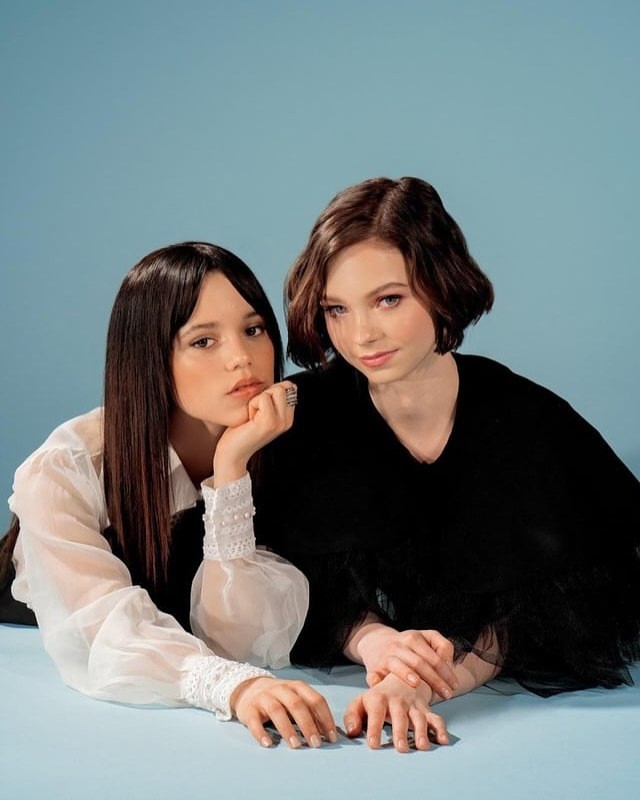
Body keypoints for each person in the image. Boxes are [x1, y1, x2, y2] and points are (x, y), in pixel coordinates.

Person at [254, 176, 640, 752]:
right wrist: (375, 644)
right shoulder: (304, 417)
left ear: (441, 287)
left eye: (388, 299)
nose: (361, 335)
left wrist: (416, 684)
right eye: (337, 309)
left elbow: (532, 608)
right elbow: (292, 581)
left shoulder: (528, 421)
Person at [0, 241, 338, 749]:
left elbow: (239, 640)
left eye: (253, 329)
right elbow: (101, 627)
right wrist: (234, 687)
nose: (241, 358)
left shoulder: (279, 438)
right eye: (203, 341)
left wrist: (230, 470)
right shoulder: (66, 469)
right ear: (150, 357)